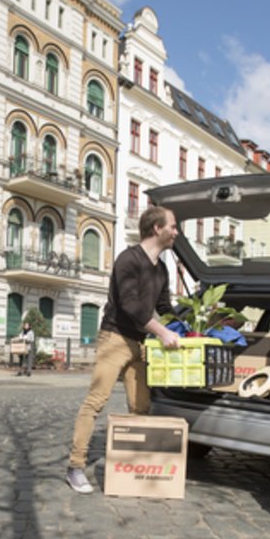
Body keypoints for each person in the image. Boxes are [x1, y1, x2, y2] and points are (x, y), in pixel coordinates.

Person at [66, 205, 182, 493]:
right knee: (96, 401)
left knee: (141, 406)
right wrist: (162, 331)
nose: (176, 232)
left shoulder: (162, 268)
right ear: (158, 229)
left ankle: (129, 467)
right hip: (114, 338)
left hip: (140, 343)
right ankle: (75, 466)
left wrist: (194, 320)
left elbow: (164, 308)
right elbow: (130, 305)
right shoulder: (128, 260)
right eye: (173, 226)